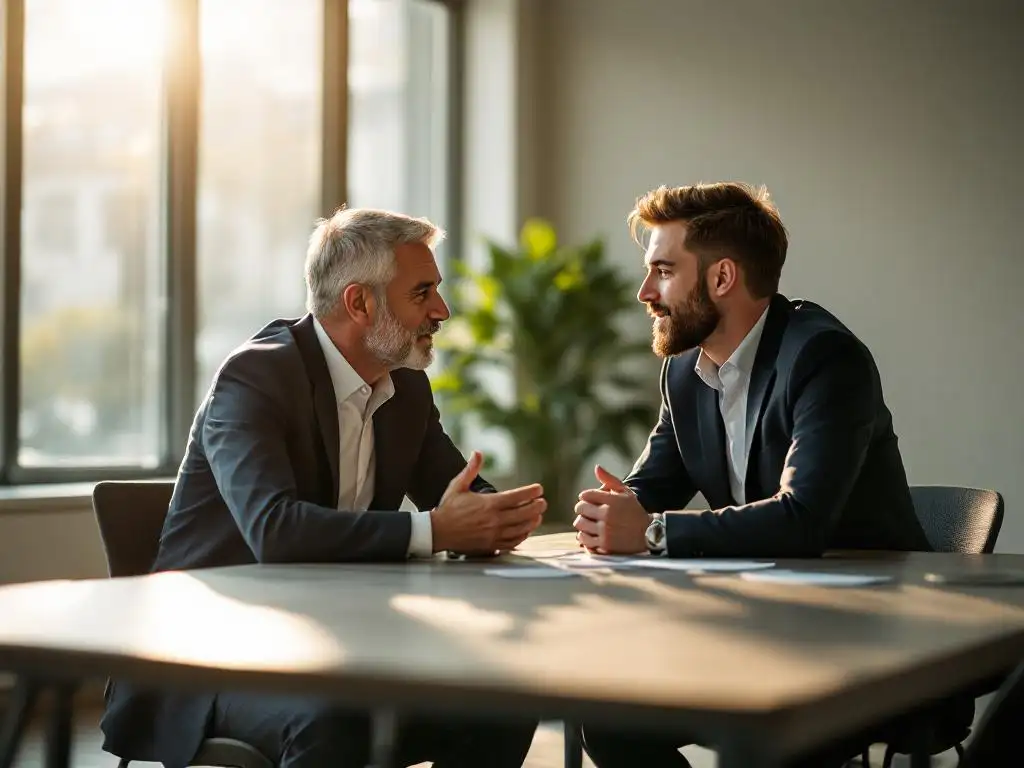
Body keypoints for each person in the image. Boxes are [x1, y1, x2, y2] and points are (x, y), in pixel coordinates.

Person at [101, 208, 545, 768]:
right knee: (338, 720)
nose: (442, 310)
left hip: (337, 643)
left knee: (502, 701)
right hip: (212, 654)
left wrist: (497, 514)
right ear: (359, 303)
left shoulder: (404, 386)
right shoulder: (255, 377)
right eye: (422, 292)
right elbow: (275, 531)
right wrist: (436, 529)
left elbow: (454, 489)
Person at [572, 182, 964, 767]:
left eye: (663, 270)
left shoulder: (825, 359)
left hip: (863, 641)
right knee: (607, 715)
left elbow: (802, 518)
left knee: (763, 736)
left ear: (721, 277)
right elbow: (652, 486)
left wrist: (652, 533)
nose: (645, 291)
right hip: (750, 623)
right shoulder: (686, 370)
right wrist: (608, 512)